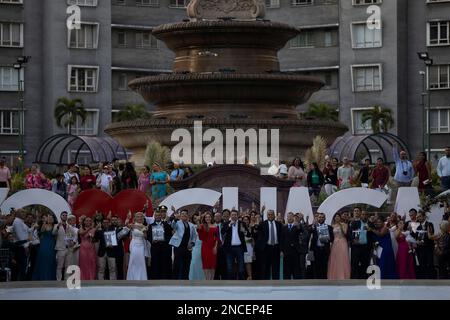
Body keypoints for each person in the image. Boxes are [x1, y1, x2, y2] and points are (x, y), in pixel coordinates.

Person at [170, 209, 197, 280]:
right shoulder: (177, 223)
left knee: (187, 264)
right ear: (180, 215)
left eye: (185, 214)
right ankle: (175, 280)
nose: (184, 215)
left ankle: (185, 280)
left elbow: (194, 236)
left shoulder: (191, 225)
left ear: (188, 215)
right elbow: (173, 226)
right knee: (177, 264)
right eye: (182, 214)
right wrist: (175, 218)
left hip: (187, 247)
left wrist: (192, 243)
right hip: (178, 246)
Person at [255, 210, 282, 280]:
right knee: (266, 267)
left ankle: (276, 284)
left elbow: (281, 237)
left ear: (274, 215)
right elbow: (257, 233)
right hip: (266, 248)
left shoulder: (279, 224)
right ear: (267, 215)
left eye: (271, 214)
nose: (270, 216)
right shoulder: (263, 224)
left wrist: (281, 249)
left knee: (276, 267)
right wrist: (257, 224)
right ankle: (266, 284)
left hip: (276, 248)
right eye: (269, 214)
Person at [147, 206, 173, 280]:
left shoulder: (166, 224)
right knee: (155, 263)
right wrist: (152, 240)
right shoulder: (151, 226)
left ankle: (165, 279)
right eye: (156, 215)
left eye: (159, 215)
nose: (158, 216)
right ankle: (155, 279)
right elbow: (148, 236)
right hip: (155, 247)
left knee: (165, 263)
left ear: (161, 216)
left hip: (165, 248)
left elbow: (170, 233)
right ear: (154, 216)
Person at [221, 209, 247, 280]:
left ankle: (242, 284)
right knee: (229, 268)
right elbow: (222, 232)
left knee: (241, 268)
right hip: (229, 248)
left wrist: (244, 231)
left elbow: (248, 234)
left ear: (237, 216)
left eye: (235, 215)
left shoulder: (242, 223)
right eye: (232, 215)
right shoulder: (227, 223)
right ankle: (230, 285)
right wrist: (229, 225)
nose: (234, 216)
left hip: (239, 248)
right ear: (230, 216)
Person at [308, 212, 334, 279]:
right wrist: (313, 225)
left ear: (325, 218)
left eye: (322, 217)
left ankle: (324, 281)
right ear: (317, 218)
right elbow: (308, 231)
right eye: (319, 217)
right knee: (315, 266)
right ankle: (316, 280)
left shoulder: (329, 227)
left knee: (324, 266)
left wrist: (326, 238)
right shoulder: (314, 226)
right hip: (315, 250)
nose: (321, 218)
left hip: (325, 249)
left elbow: (332, 238)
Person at [32, 214, 56, 280]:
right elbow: (42, 231)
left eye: (52, 218)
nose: (50, 219)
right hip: (44, 244)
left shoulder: (55, 226)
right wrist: (45, 222)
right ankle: (42, 276)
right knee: (43, 259)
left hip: (52, 244)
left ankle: (50, 276)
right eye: (49, 218)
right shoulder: (44, 225)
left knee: (51, 259)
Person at [125, 212, 148, 280]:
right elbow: (126, 225)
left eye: (141, 216)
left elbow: (146, 237)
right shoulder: (132, 225)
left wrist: (143, 230)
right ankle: (132, 278)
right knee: (133, 260)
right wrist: (128, 218)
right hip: (134, 244)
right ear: (135, 218)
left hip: (141, 245)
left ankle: (141, 278)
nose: (140, 218)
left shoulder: (145, 226)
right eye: (138, 216)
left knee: (141, 261)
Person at [349, 210, 372, 279]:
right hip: (356, 247)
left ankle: (364, 278)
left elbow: (373, 235)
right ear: (360, 215)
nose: (364, 216)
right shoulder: (354, 223)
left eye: (365, 214)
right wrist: (353, 240)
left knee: (365, 263)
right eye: (363, 214)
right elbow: (349, 233)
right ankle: (354, 279)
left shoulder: (370, 224)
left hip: (366, 247)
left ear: (367, 216)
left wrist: (370, 230)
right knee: (355, 263)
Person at [412, 211, 435, 279]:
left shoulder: (429, 224)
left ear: (424, 216)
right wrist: (417, 241)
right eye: (418, 217)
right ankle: (423, 280)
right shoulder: (417, 226)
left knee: (429, 264)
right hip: (420, 249)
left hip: (428, 248)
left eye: (420, 216)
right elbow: (414, 236)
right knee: (422, 265)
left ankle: (430, 280)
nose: (419, 218)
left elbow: (431, 235)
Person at [327, 213, 350, 280]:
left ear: (340, 218)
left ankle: (344, 275)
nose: (337, 218)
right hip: (335, 243)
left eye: (338, 216)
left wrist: (341, 226)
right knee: (335, 258)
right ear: (334, 218)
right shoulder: (332, 226)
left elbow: (345, 233)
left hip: (343, 241)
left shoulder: (344, 224)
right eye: (336, 217)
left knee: (343, 258)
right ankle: (334, 275)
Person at [197, 212, 218, 280]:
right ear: (204, 218)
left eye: (209, 217)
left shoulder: (215, 226)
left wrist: (215, 247)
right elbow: (200, 236)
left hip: (213, 247)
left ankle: (212, 280)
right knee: (206, 263)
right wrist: (198, 221)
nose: (207, 218)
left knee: (213, 264)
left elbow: (217, 238)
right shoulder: (202, 226)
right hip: (205, 247)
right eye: (206, 217)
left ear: (211, 218)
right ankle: (207, 280)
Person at [280, 213, 301, 279]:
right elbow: (281, 239)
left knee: (296, 268)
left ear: (293, 218)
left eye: (291, 217)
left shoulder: (297, 226)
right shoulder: (283, 227)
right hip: (286, 251)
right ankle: (286, 283)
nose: (289, 218)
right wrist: (281, 250)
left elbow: (301, 231)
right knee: (286, 269)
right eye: (288, 217)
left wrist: (298, 225)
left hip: (295, 251)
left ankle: (296, 283)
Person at [53, 212, 72, 281]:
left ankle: (66, 279)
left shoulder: (69, 226)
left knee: (67, 266)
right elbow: (53, 233)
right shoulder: (56, 225)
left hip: (68, 248)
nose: (65, 216)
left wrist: (71, 241)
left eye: (66, 215)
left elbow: (72, 235)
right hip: (60, 248)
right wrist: (58, 226)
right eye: (63, 215)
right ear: (60, 216)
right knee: (59, 266)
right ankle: (59, 280)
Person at [214, 211, 227, 280]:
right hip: (214, 247)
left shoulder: (225, 224)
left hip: (223, 247)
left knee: (223, 264)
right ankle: (215, 279)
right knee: (215, 265)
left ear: (221, 217)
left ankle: (224, 280)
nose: (217, 217)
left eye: (219, 216)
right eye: (216, 216)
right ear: (214, 217)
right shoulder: (212, 225)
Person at [242, 215, 254, 280]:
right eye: (244, 220)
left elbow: (252, 239)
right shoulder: (240, 228)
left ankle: (250, 276)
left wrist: (250, 241)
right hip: (241, 247)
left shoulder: (251, 227)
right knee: (240, 262)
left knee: (248, 262)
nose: (245, 221)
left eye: (247, 220)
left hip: (249, 247)